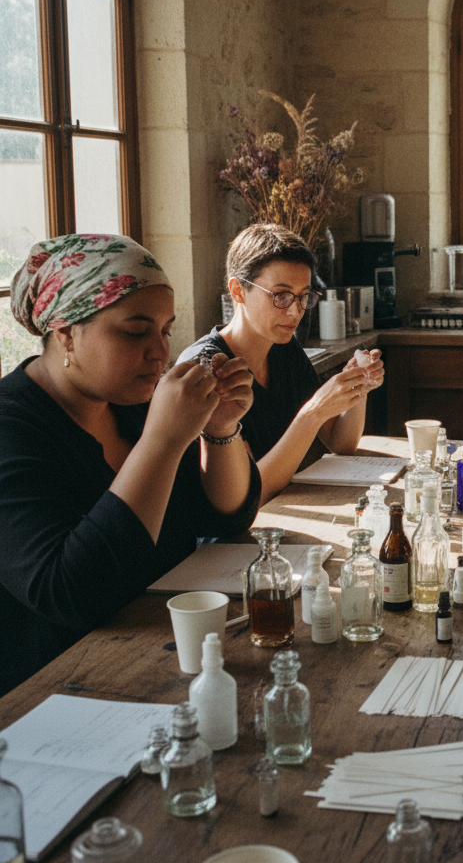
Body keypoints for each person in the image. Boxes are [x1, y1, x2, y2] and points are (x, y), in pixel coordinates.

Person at [0, 234, 261, 696]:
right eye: (135, 331)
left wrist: (220, 430)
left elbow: (227, 516)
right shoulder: (14, 426)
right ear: (65, 333)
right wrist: (162, 441)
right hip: (56, 693)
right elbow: (69, 592)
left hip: (165, 660)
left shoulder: (132, 405)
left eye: (165, 330)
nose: (160, 352)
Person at [179, 224, 384, 504]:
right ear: (238, 290)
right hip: (227, 541)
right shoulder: (207, 367)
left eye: (303, 297)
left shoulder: (283, 347)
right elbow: (249, 495)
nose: (295, 311)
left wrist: (357, 385)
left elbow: (340, 443)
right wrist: (312, 413)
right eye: (281, 295)